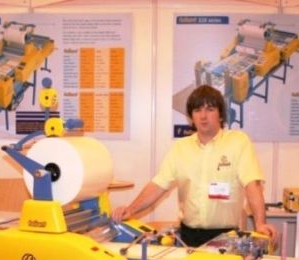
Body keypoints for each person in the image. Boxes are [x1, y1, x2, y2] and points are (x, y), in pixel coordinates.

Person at [112, 85, 276, 247]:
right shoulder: (180, 148)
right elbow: (158, 184)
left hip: (226, 239)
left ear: (220, 115)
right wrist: (131, 209)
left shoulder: (238, 142)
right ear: (191, 117)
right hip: (188, 239)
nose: (203, 116)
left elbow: (252, 184)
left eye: (210, 109)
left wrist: (260, 223)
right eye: (197, 110)